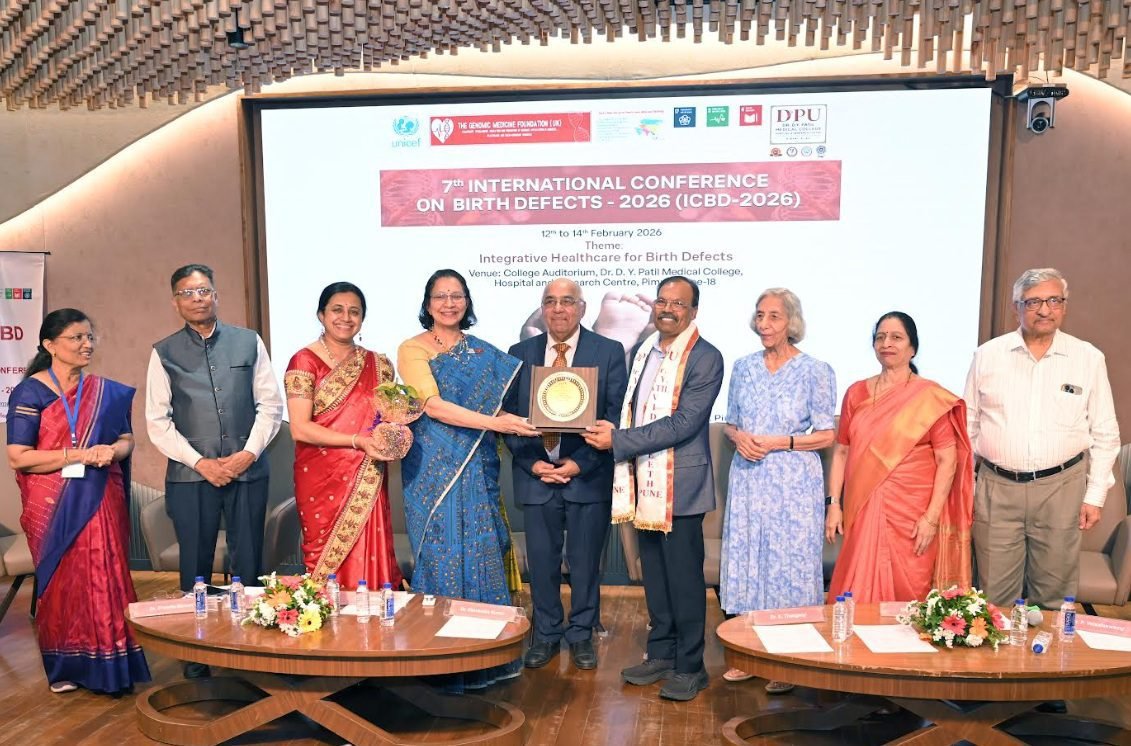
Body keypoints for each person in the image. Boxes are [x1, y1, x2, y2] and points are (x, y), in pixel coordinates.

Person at [583, 276, 723, 702]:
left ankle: (691, 666)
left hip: (680, 487)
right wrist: (612, 430)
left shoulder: (706, 357)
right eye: (662, 301)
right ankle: (661, 653)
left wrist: (618, 440)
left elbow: (684, 423)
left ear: (693, 311)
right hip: (646, 481)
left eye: (678, 303)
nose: (668, 309)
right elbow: (635, 410)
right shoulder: (645, 350)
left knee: (683, 580)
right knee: (656, 579)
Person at [397, 268, 538, 690]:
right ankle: (438, 664)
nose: (449, 303)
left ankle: (484, 662)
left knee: (482, 551)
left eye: (456, 295)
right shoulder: (412, 348)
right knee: (441, 554)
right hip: (433, 470)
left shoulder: (482, 353)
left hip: (477, 465)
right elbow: (433, 406)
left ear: (467, 302)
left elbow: (491, 412)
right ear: (427, 304)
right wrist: (499, 424)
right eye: (440, 296)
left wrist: (515, 420)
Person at [146, 264, 283, 678]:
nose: (197, 298)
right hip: (192, 478)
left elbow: (270, 405)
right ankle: (197, 657)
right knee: (195, 567)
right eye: (187, 293)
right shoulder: (163, 352)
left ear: (216, 295)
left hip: (248, 471)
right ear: (175, 302)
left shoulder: (248, 341)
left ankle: (253, 650)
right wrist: (201, 463)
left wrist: (248, 454)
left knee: (249, 563)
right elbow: (158, 421)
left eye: (204, 290)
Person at [6, 309, 151, 695]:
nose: (87, 344)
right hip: (53, 505)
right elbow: (19, 456)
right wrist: (78, 455)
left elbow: (126, 439)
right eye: (76, 338)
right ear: (50, 345)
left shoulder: (105, 393)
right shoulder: (30, 392)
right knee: (64, 582)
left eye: (90, 337)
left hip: (101, 494)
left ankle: (114, 664)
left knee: (107, 572)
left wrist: (111, 451)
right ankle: (67, 666)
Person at [965, 268, 1120, 611]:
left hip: (1061, 489)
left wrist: (1094, 496)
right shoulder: (987, 356)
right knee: (993, 597)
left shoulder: (1088, 358)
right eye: (1033, 302)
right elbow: (968, 425)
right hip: (996, 489)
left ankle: (1049, 648)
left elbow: (1106, 433)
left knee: (1053, 597)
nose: (1045, 310)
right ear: (1016, 307)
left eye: (1054, 300)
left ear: (1064, 306)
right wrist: (971, 487)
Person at [503, 278, 627, 671]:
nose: (558, 309)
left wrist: (580, 463)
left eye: (567, 301)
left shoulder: (608, 351)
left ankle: (581, 634)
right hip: (536, 475)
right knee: (541, 564)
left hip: (587, 475)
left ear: (582, 308)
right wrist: (531, 463)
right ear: (542, 308)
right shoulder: (519, 353)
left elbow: (615, 415)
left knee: (586, 564)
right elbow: (507, 416)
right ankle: (546, 634)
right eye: (550, 301)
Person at [721, 289, 835, 691]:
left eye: (774, 316)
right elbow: (731, 423)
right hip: (749, 477)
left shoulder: (816, 370)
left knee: (788, 566)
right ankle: (750, 654)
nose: (765, 324)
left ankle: (789, 660)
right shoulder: (742, 367)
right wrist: (739, 437)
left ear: (791, 322)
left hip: (793, 482)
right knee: (749, 561)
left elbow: (826, 435)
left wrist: (779, 442)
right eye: (760, 315)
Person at [825, 312, 973, 604]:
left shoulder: (930, 398)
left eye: (896, 337)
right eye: (880, 337)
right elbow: (841, 451)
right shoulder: (856, 393)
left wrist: (931, 518)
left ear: (912, 348)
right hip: (864, 507)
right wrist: (834, 504)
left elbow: (947, 461)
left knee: (910, 593)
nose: (886, 344)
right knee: (856, 588)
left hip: (912, 516)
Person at [284, 282, 412, 589]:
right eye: (337, 310)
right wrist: (357, 441)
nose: (346, 317)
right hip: (321, 477)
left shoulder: (380, 365)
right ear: (321, 315)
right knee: (323, 561)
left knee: (371, 555)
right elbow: (299, 428)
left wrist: (393, 437)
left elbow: (388, 419)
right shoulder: (303, 361)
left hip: (367, 474)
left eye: (354, 312)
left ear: (362, 319)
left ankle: (375, 615)